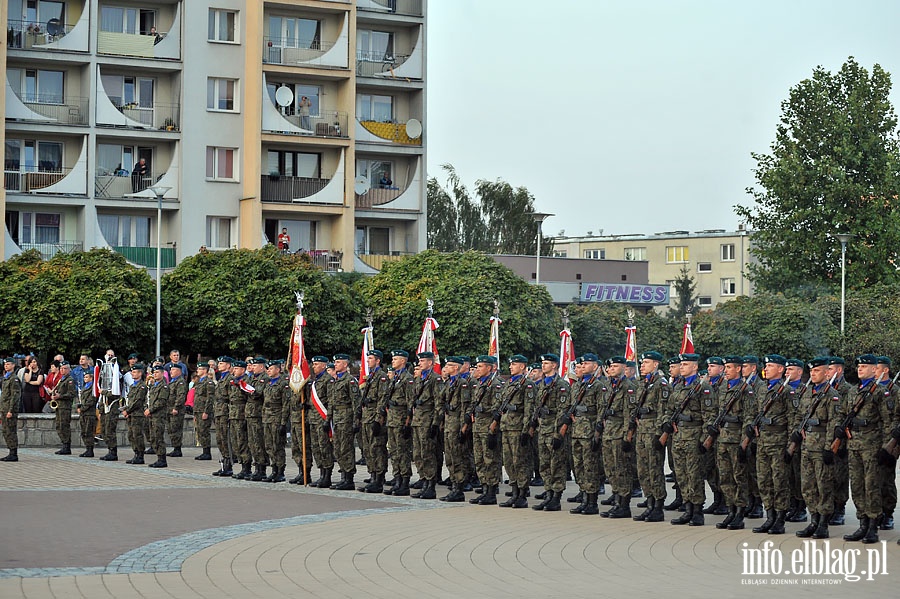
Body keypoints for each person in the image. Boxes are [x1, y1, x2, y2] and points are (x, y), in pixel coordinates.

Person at [667, 353, 715, 526]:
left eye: (686, 364)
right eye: (681, 364)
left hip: (694, 436)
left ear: (695, 367)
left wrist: (704, 440)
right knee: (681, 474)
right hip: (678, 435)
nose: (682, 367)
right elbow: (669, 409)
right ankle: (687, 508)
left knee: (694, 474)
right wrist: (667, 423)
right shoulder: (678, 385)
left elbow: (709, 416)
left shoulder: (703, 387)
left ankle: (697, 511)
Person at [631, 351, 670, 522]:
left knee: (655, 470)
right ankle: (649, 503)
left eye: (646, 362)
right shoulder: (644, 383)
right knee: (643, 470)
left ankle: (658, 507)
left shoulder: (661, 385)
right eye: (642, 362)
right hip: (642, 432)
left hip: (653, 432)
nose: (642, 365)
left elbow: (664, 410)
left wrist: (659, 434)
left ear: (655, 365)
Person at [531, 353, 571, 512]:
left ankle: (556, 497)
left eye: (546, 363)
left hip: (554, 429)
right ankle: (548, 494)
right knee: (545, 464)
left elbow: (562, 411)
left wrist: (558, 434)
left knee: (557, 464)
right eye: (543, 363)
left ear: (554, 365)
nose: (543, 366)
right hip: (543, 429)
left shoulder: (561, 384)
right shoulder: (542, 384)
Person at [467, 356, 503, 505]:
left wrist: (491, 425)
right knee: (480, 459)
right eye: (477, 366)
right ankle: (484, 488)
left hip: (488, 427)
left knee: (490, 459)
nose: (477, 369)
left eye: (481, 366)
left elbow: (497, 407)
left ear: (489, 368)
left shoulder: (495, 385)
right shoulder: (478, 384)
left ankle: (491, 491)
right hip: (477, 427)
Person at [326, 353, 361, 490]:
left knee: (346, 448)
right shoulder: (335, 380)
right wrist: (328, 419)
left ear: (345, 365)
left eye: (338, 362)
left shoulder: (349, 380)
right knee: (338, 448)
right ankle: (343, 476)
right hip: (336, 418)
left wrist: (355, 421)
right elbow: (331, 402)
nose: (336, 364)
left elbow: (356, 402)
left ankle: (349, 478)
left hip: (346, 417)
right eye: (335, 362)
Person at [358, 350, 391, 493]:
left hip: (375, 417)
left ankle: (379, 478)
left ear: (378, 361)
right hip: (367, 416)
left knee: (377, 448)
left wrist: (379, 420)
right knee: (368, 448)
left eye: (370, 358)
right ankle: (373, 476)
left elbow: (383, 399)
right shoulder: (371, 376)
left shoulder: (382, 377)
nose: (368, 361)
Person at [382, 350, 414, 496]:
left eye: (395, 359)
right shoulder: (395, 378)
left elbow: (410, 403)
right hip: (392, 420)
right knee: (394, 451)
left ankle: (404, 483)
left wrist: (408, 423)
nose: (392, 361)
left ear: (403, 361)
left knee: (402, 452)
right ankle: (397, 480)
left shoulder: (407, 379)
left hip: (401, 420)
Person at [262, 360, 290, 482]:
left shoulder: (283, 384)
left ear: (278, 370)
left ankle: (280, 471)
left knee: (277, 445)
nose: (268, 370)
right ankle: (274, 470)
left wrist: (283, 423)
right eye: (267, 369)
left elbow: (285, 404)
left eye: (271, 368)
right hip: (267, 419)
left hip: (277, 419)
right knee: (269, 446)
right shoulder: (268, 384)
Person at [212, 357, 234, 476]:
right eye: (218, 363)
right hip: (219, 411)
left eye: (221, 363)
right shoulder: (221, 378)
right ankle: (223, 464)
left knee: (226, 439)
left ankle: (228, 465)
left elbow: (231, 397)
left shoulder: (229, 379)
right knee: (220, 439)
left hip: (225, 411)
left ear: (228, 365)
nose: (219, 365)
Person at [122, 363, 148, 464]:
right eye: (132, 372)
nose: (132, 373)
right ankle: (136, 453)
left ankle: (140, 455)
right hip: (131, 414)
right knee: (131, 435)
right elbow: (130, 400)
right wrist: (126, 409)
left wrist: (128, 410)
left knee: (137, 435)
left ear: (140, 373)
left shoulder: (142, 386)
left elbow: (138, 402)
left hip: (137, 414)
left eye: (134, 372)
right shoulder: (133, 386)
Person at [145, 365, 169, 468]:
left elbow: (161, 401)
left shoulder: (163, 386)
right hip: (152, 415)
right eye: (154, 373)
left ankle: (162, 459)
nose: (155, 374)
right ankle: (158, 457)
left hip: (158, 415)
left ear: (162, 373)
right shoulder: (153, 386)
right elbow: (150, 399)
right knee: (153, 437)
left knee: (158, 437)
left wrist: (150, 410)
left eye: (157, 372)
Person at [51, 361, 77, 454]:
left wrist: (60, 396)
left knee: (64, 426)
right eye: (61, 368)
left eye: (65, 368)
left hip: (65, 407)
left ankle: (67, 446)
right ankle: (64, 444)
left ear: (69, 370)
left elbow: (72, 394)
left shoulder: (70, 380)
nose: (62, 370)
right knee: (59, 426)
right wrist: (54, 396)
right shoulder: (61, 379)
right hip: (59, 406)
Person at [1, 357, 22, 461]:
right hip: (4, 408)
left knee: (10, 430)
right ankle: (10, 451)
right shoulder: (6, 378)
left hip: (10, 409)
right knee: (5, 430)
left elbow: (15, 396)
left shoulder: (14, 379)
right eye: (5, 364)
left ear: (13, 365)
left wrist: (10, 410)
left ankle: (13, 453)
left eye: (8, 364)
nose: (6, 366)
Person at [166, 363, 188, 457]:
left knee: (176, 429)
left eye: (173, 370)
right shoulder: (172, 382)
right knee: (171, 429)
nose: (171, 372)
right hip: (169, 409)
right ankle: (175, 447)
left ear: (179, 371)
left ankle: (177, 449)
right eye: (171, 370)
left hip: (176, 410)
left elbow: (181, 396)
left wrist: (176, 407)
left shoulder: (180, 382)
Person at [76, 370, 98, 457]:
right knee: (84, 431)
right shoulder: (85, 387)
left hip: (89, 413)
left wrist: (82, 408)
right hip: (83, 413)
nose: (85, 379)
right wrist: (79, 406)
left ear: (91, 378)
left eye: (87, 377)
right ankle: (87, 448)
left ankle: (90, 449)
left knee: (88, 431)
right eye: (84, 377)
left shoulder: (93, 388)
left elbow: (91, 400)